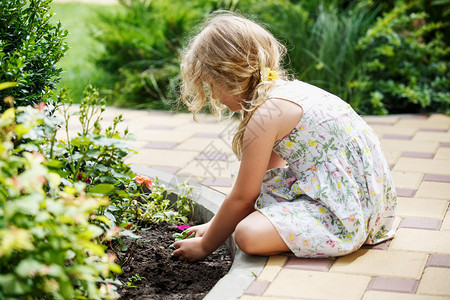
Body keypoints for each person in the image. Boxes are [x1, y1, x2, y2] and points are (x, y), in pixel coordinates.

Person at [173, 11, 397, 262]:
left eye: (212, 86)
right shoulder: (285, 92)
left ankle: (330, 235)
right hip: (371, 201)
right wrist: (215, 225)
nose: (214, 98)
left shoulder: (265, 115)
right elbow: (262, 184)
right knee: (266, 194)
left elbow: (243, 197)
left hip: (345, 213)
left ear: (228, 77)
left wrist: (205, 245)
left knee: (246, 234)